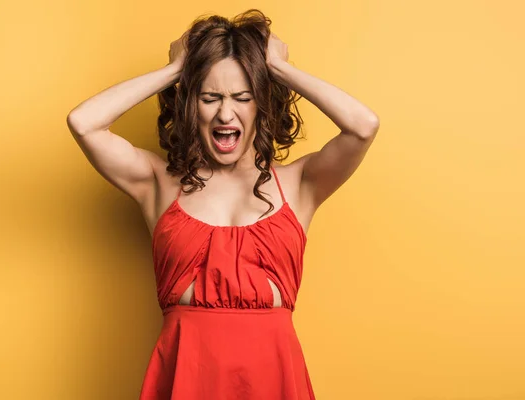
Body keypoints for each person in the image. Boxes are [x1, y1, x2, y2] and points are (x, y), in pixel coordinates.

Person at [66, 8, 379, 400]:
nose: (225, 113)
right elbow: (84, 123)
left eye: (242, 97)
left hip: (273, 377)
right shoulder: (158, 181)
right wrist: (177, 69)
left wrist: (277, 67)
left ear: (261, 104)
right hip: (186, 374)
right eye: (209, 97)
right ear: (190, 104)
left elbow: (363, 126)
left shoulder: (299, 183)